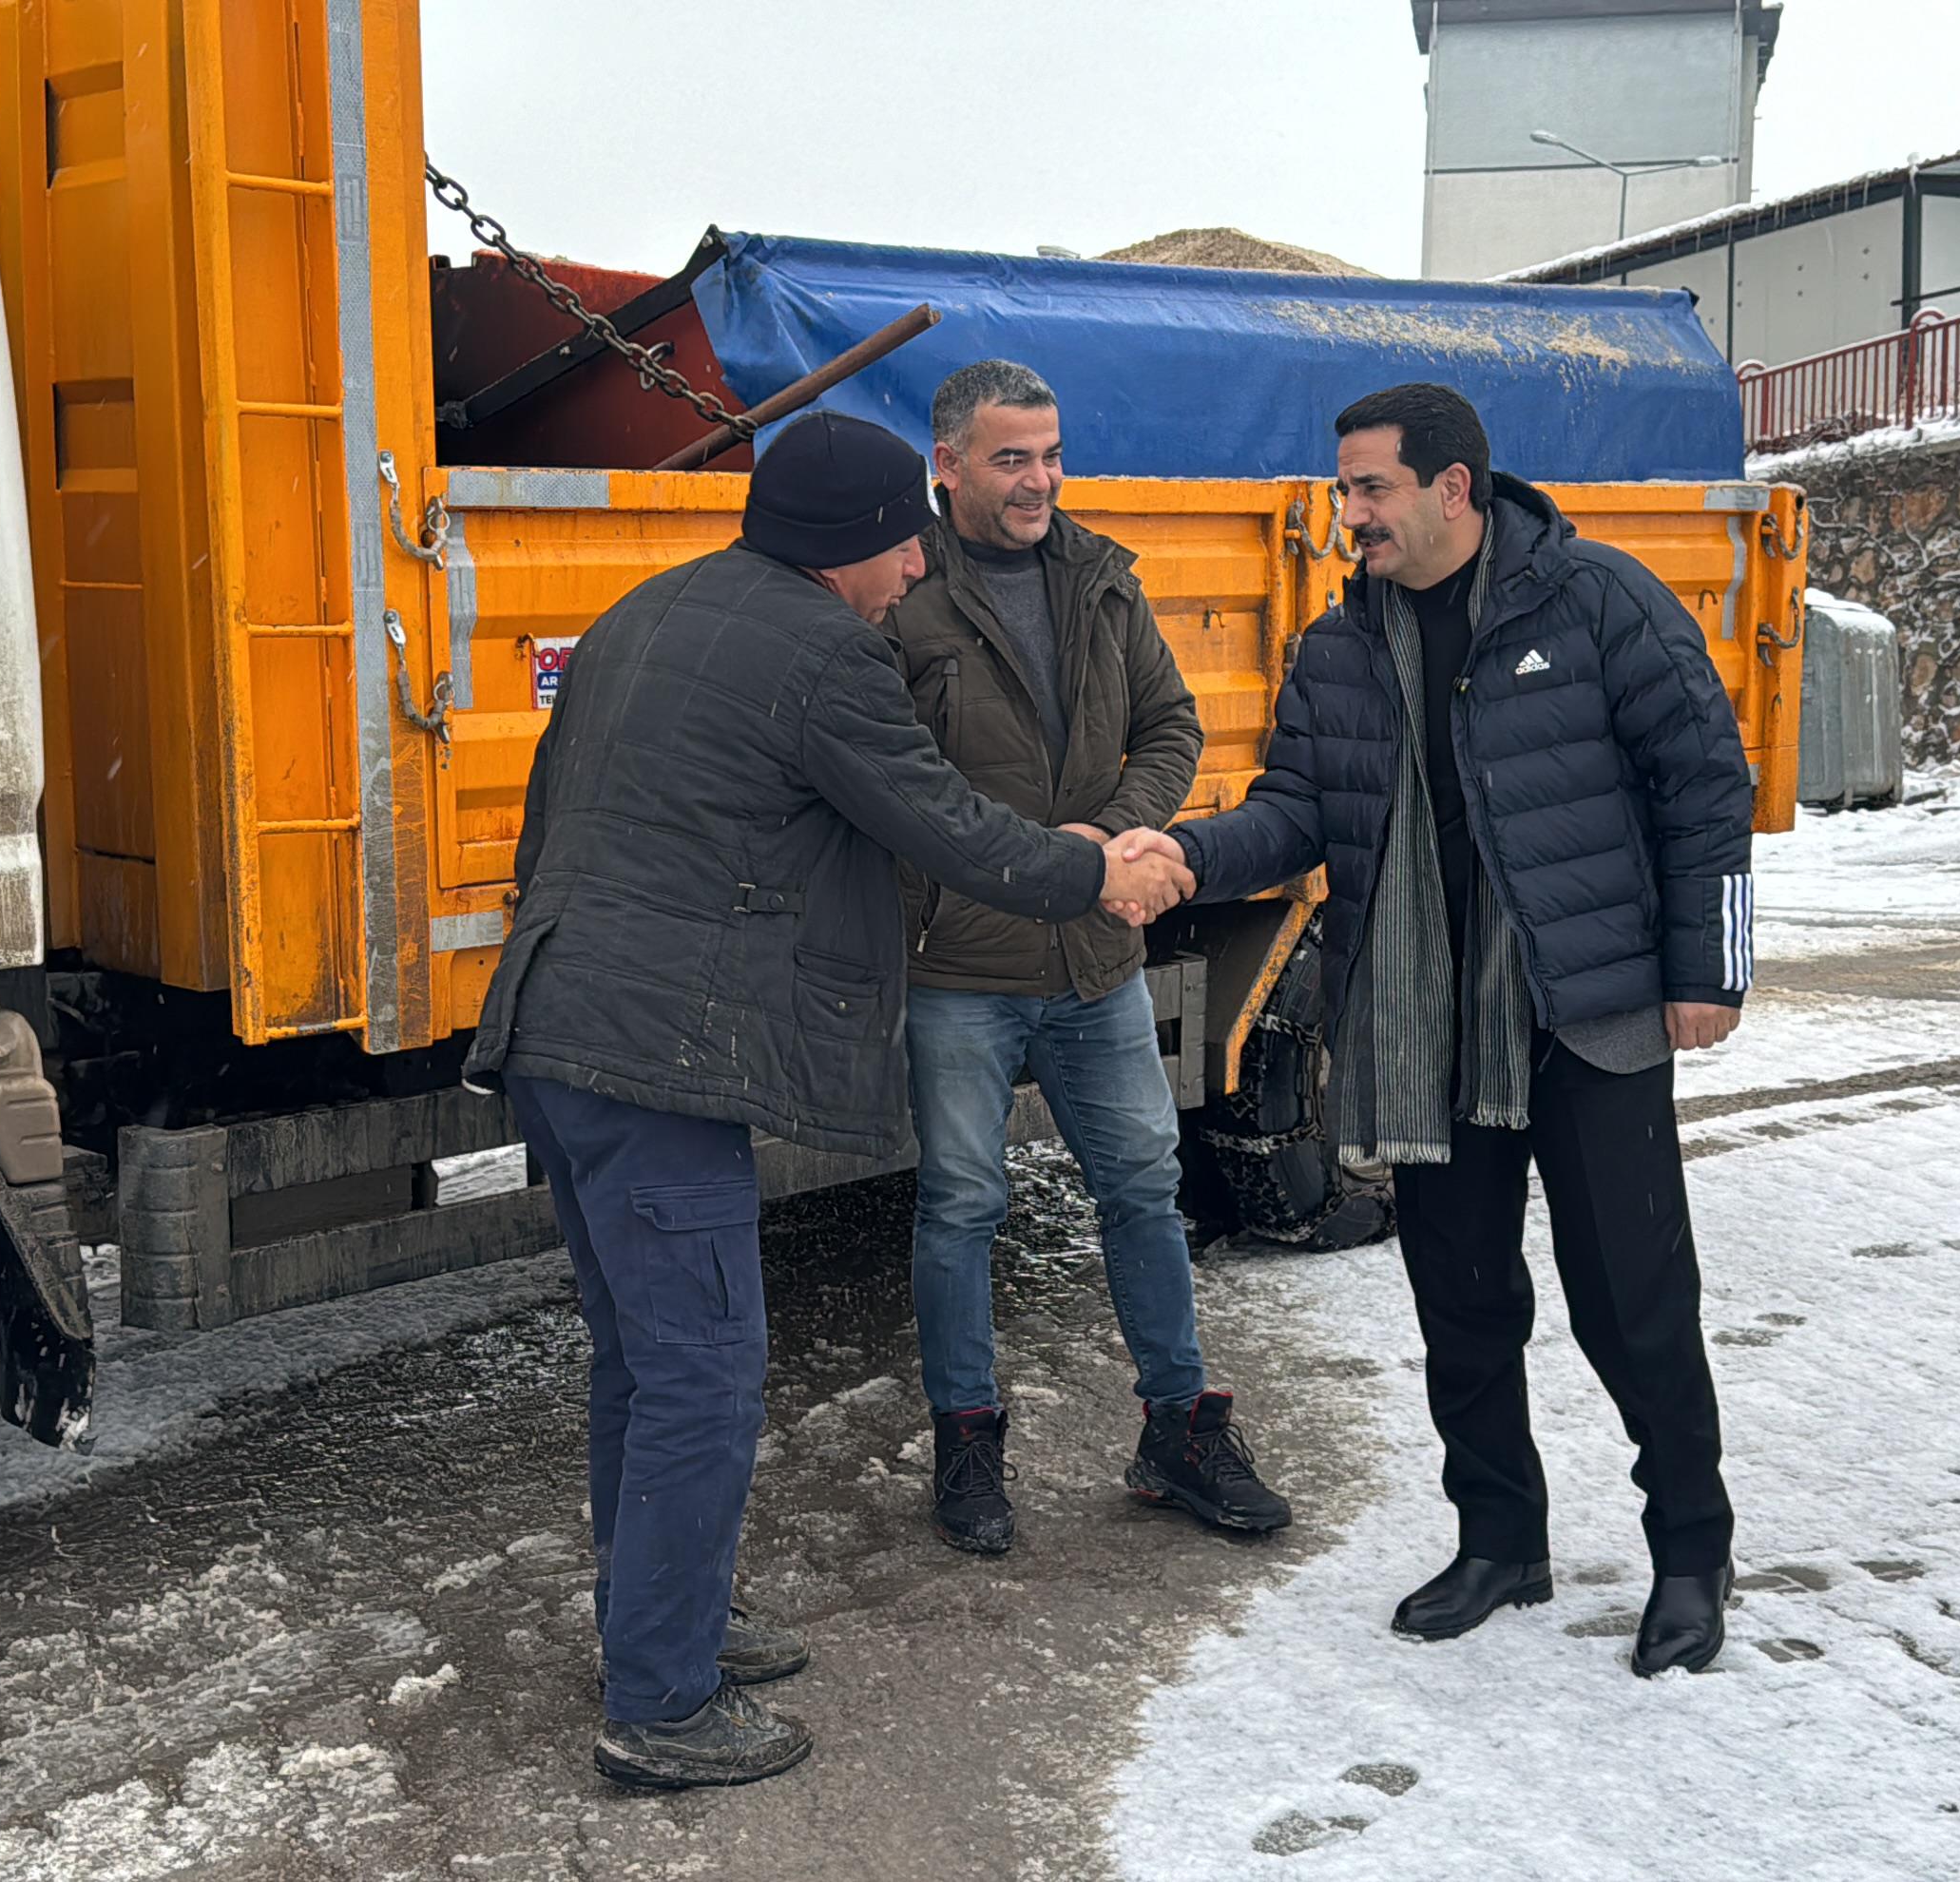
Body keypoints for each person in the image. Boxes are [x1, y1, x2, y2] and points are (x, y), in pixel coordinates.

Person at [465, 412, 1191, 1790]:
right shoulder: (827, 658)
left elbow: (555, 812)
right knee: (703, 1375)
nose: (918, 563)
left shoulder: (648, 611)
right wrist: (1095, 873)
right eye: (902, 538)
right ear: (850, 542)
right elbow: (943, 826)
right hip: (658, 1061)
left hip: (564, 1031)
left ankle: (659, 1626)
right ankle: (661, 1707)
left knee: (643, 1363)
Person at [1137, 381, 1754, 1676]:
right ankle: (1499, 1539)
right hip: (1425, 1030)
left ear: (1452, 488)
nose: (1347, 511)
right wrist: (1183, 858)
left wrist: (1715, 970)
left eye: (1369, 487)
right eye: (1344, 487)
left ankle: (1691, 1553)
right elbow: (1297, 810)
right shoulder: (1341, 645)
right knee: (1463, 1301)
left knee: (1633, 1306)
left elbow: (1707, 785)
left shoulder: (1597, 603)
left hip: (1588, 1014)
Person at [886, 360, 1290, 1556]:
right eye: (1012, 458)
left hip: (1096, 953)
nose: (1040, 481)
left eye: (1052, 454)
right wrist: (1043, 857)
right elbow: (898, 785)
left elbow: (1171, 728)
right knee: (962, 1203)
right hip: (957, 961)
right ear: (947, 462)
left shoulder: (1103, 579)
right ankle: (967, 1442)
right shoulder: (903, 595)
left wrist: (1108, 841)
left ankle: (1180, 1428)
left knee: (1143, 1191)